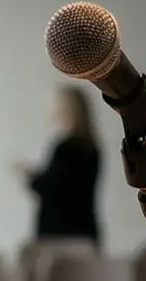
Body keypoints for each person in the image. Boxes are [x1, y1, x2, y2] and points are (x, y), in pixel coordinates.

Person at [14, 84, 102, 244]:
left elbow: (53, 189)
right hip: (84, 231)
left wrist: (28, 175)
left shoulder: (66, 148)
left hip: (59, 234)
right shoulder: (92, 147)